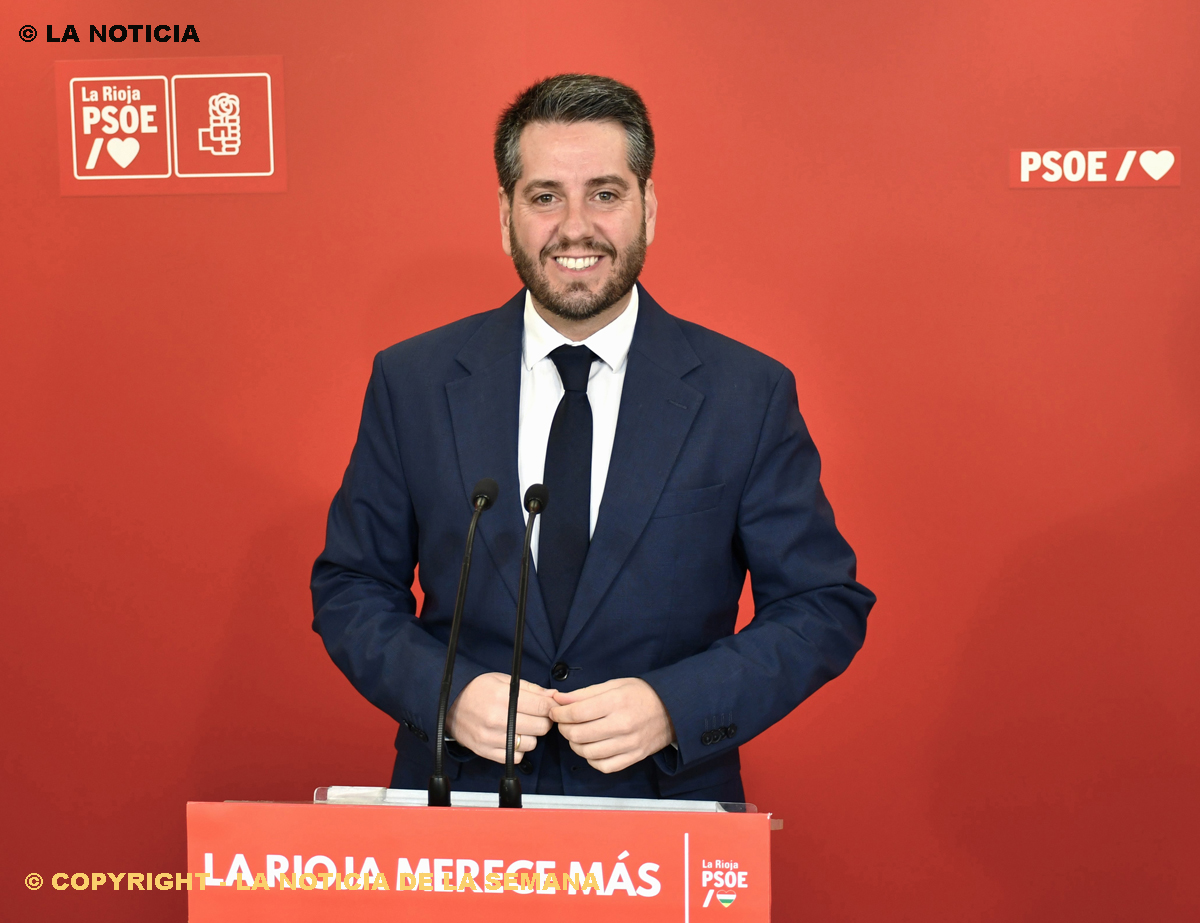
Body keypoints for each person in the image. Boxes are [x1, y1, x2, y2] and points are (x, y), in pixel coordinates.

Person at [311, 74, 875, 802]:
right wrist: (446, 695)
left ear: (648, 210)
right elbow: (352, 586)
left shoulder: (746, 393)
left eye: (605, 194)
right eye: (545, 197)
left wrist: (675, 706)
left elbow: (821, 604)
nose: (575, 227)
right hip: (461, 805)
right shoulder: (412, 381)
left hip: (661, 807)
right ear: (506, 215)